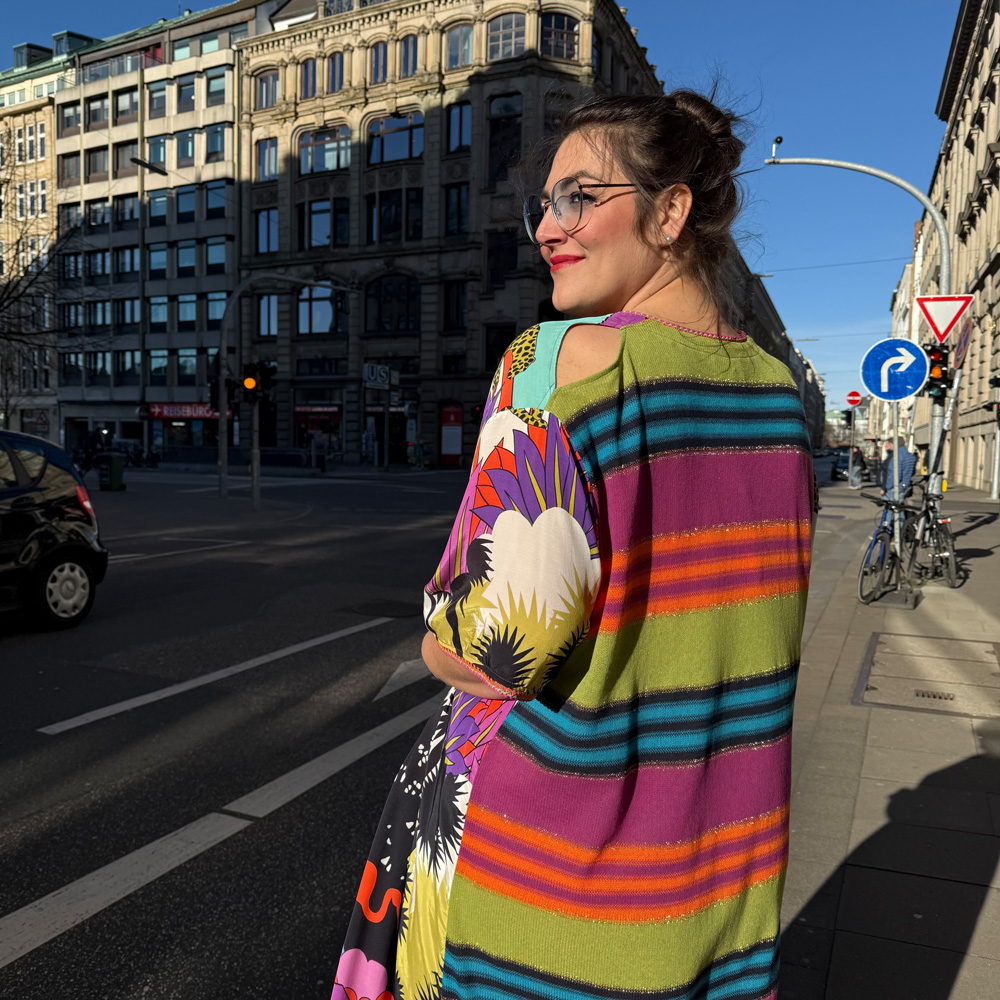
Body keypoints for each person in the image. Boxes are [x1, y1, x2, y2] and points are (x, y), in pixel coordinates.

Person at [332, 90, 815, 1000]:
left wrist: (431, 638)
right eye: (543, 206)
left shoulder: (557, 363)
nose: (549, 229)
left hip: (551, 891)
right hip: (723, 885)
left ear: (670, 211)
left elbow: (499, 651)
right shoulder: (777, 395)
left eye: (580, 198)